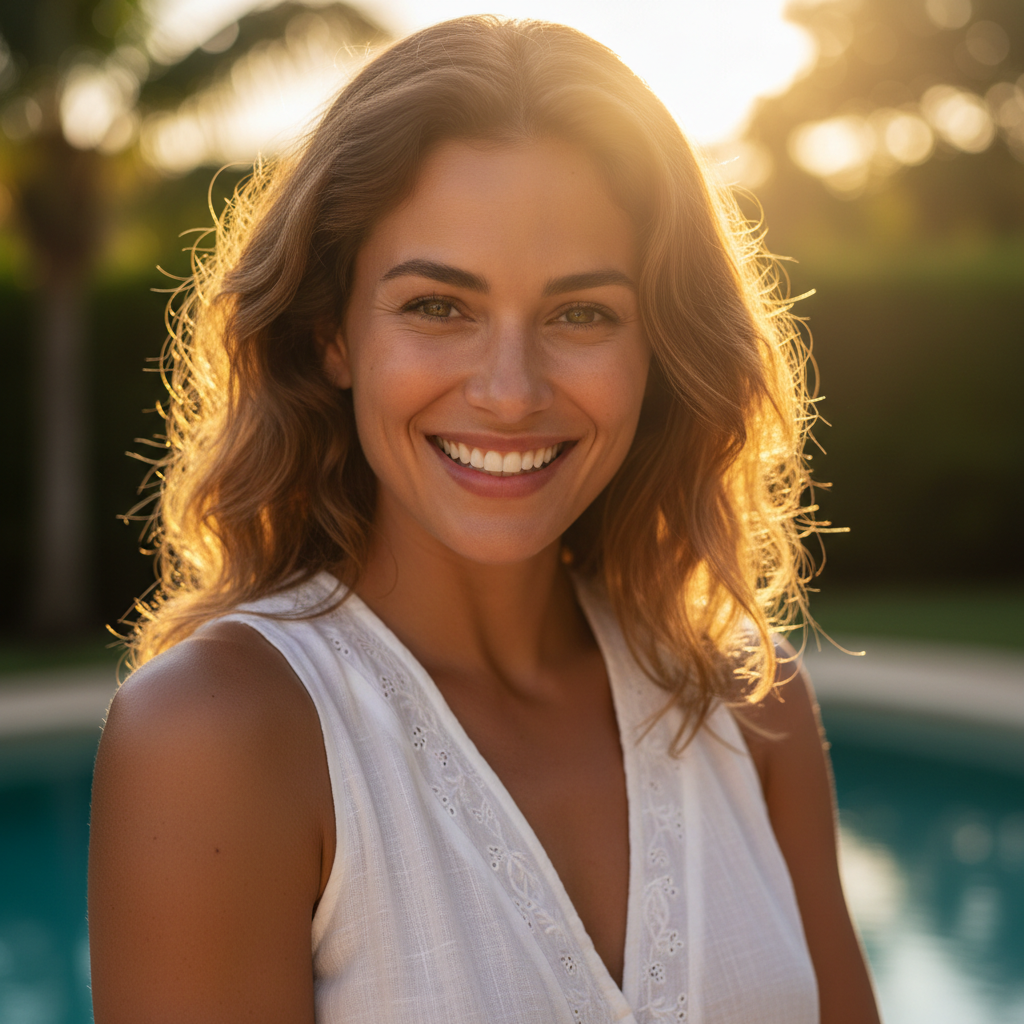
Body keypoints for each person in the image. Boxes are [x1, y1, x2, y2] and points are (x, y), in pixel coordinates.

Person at [88, 15, 880, 1024]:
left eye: (581, 313)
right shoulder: (222, 738)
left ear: (657, 348)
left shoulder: (746, 704)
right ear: (332, 332)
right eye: (437, 307)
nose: (510, 392)